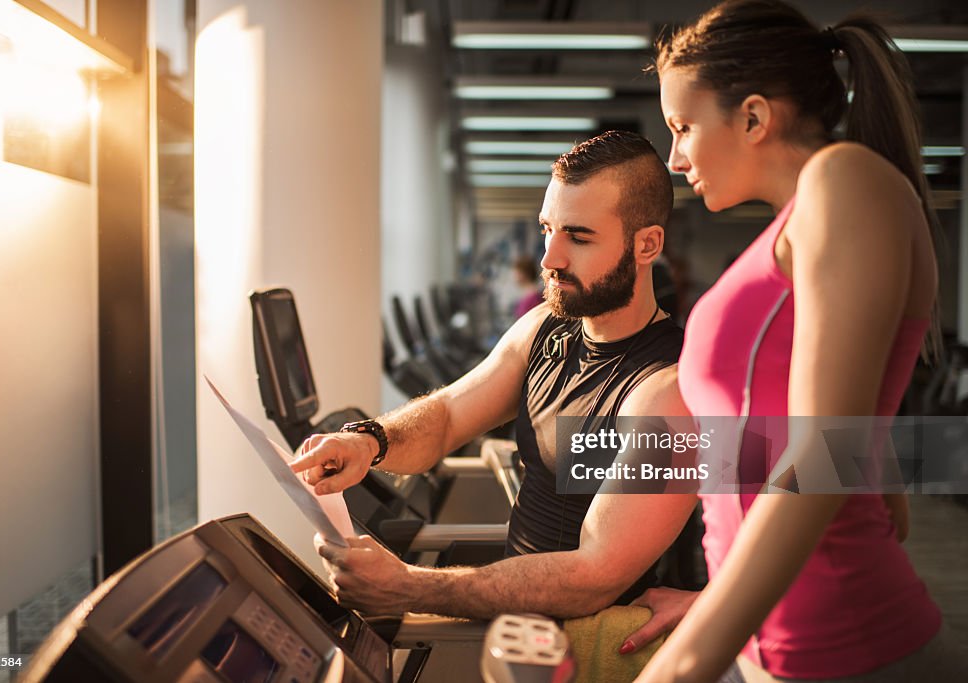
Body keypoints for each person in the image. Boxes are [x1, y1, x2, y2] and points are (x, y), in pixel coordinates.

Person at [619, 1, 967, 681]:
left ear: (752, 117)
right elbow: (826, 426)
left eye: (683, 126)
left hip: (848, 649)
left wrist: (685, 665)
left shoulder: (846, 182)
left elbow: (819, 454)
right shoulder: (801, 221)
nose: (674, 156)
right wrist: (714, 602)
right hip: (776, 644)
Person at [290, 131, 698, 620]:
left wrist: (409, 587)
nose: (550, 258)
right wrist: (369, 442)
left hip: (577, 647)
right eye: (548, 229)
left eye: (579, 236)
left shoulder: (665, 391)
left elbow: (593, 577)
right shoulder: (546, 329)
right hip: (512, 628)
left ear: (646, 244)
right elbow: (446, 416)